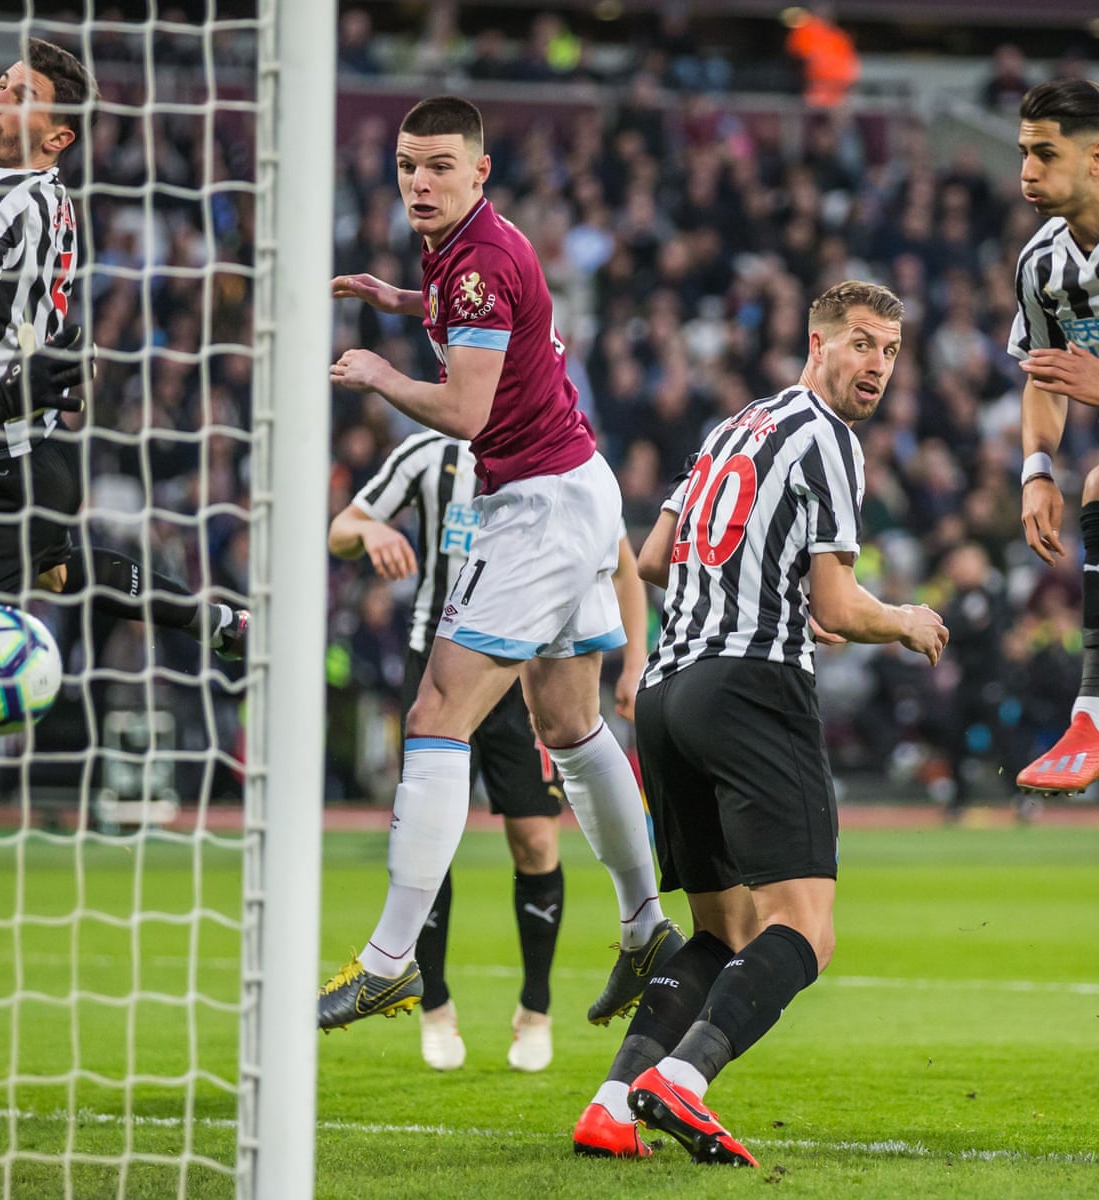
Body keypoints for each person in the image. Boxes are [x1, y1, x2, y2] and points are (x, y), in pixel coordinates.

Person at [0, 39, 248, 1025]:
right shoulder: (55, 205)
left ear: (53, 134)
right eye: (1, 83)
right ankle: (211, 617)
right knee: (50, 573)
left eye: (22, 94)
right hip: (37, 460)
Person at [322, 95, 682, 1033]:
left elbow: (466, 412)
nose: (419, 182)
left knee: (437, 709)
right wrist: (397, 299)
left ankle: (389, 960)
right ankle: (647, 928)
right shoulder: (469, 251)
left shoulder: (476, 263)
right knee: (568, 719)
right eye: (407, 165)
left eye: (439, 164)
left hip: (534, 506)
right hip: (575, 487)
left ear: (480, 170)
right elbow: (479, 320)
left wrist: (378, 372)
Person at [571, 281, 948, 1165]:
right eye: (861, 344)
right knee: (805, 928)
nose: (877, 366)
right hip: (750, 689)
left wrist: (774, 593)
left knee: (722, 932)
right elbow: (841, 605)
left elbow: (658, 558)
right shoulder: (830, 441)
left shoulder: (734, 427)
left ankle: (613, 1102)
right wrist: (903, 620)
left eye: (890, 351)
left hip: (667, 697)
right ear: (817, 343)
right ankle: (685, 1079)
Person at [329, 429, 648, 1071]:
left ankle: (535, 1008)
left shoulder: (558, 453)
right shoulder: (423, 454)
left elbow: (623, 565)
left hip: (524, 669)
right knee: (432, 835)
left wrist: (634, 659)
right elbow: (342, 525)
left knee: (535, 840)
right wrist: (369, 532)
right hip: (439, 658)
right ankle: (435, 1004)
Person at [1009, 78, 1099, 796]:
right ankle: (1091, 716)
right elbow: (1044, 375)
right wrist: (1037, 468)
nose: (1026, 173)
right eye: (1022, 153)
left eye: (1044, 154)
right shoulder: (1043, 266)